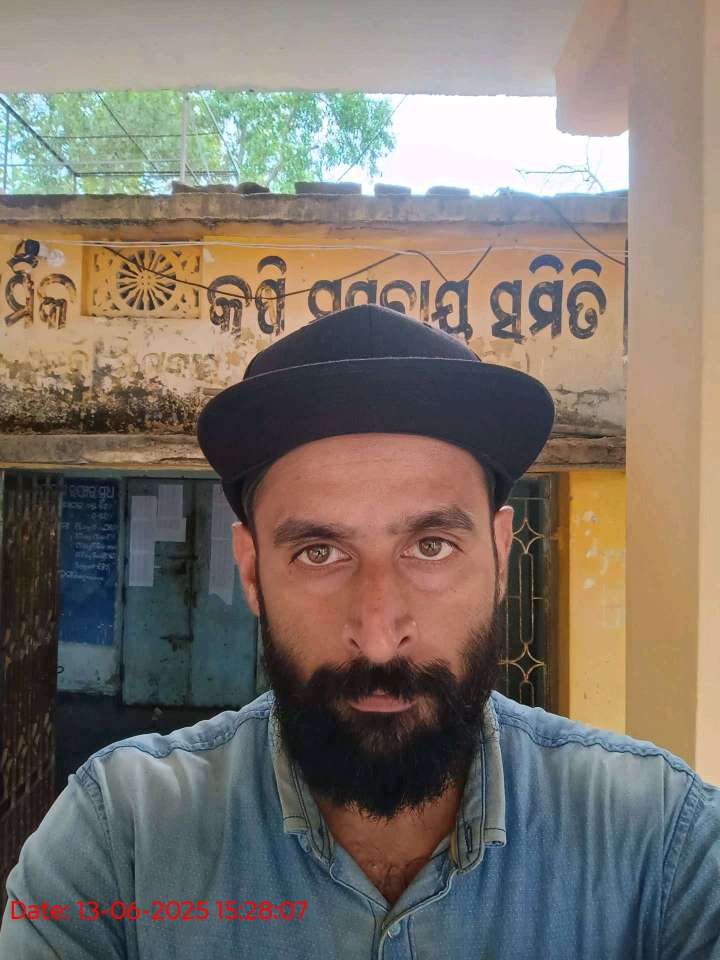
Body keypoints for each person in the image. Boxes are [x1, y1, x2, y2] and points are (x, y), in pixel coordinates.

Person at [1, 304, 718, 959]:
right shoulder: (119, 840)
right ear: (251, 570)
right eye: (320, 553)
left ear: (501, 556)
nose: (378, 637)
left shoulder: (664, 845)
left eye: (430, 546)